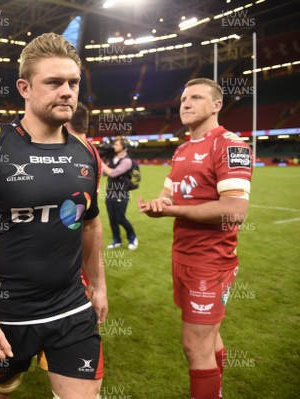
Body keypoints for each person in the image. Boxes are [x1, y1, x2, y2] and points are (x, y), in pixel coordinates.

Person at [0, 32, 108, 399]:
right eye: (54, 82)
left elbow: (91, 224)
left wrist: (98, 287)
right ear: (25, 87)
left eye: (73, 82)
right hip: (8, 309)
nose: (67, 91)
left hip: (72, 307)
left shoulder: (86, 153)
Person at [138, 78, 253, 399]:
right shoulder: (182, 149)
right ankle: (216, 390)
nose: (185, 104)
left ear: (217, 105)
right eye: (184, 98)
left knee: (194, 344)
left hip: (210, 262)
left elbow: (234, 211)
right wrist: (159, 205)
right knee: (209, 338)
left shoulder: (229, 145)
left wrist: (173, 211)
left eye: (196, 98)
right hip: (183, 257)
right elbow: (169, 194)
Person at [100, 137, 138, 250]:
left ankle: (132, 237)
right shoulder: (113, 159)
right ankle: (117, 240)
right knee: (112, 219)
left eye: (116, 144)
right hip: (110, 192)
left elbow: (112, 173)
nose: (114, 146)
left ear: (123, 146)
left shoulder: (127, 161)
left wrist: (101, 162)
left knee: (120, 218)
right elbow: (103, 174)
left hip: (121, 193)